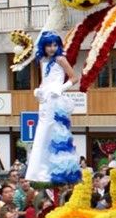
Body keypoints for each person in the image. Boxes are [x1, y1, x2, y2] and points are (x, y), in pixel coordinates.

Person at [25, 32, 83, 186]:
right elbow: (45, 81)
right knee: (42, 134)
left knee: (55, 135)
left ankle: (55, 171)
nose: (52, 48)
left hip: (55, 100)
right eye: (49, 45)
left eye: (54, 45)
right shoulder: (43, 60)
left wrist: (61, 89)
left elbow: (74, 78)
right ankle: (39, 172)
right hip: (45, 101)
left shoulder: (60, 59)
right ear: (43, 46)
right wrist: (39, 91)